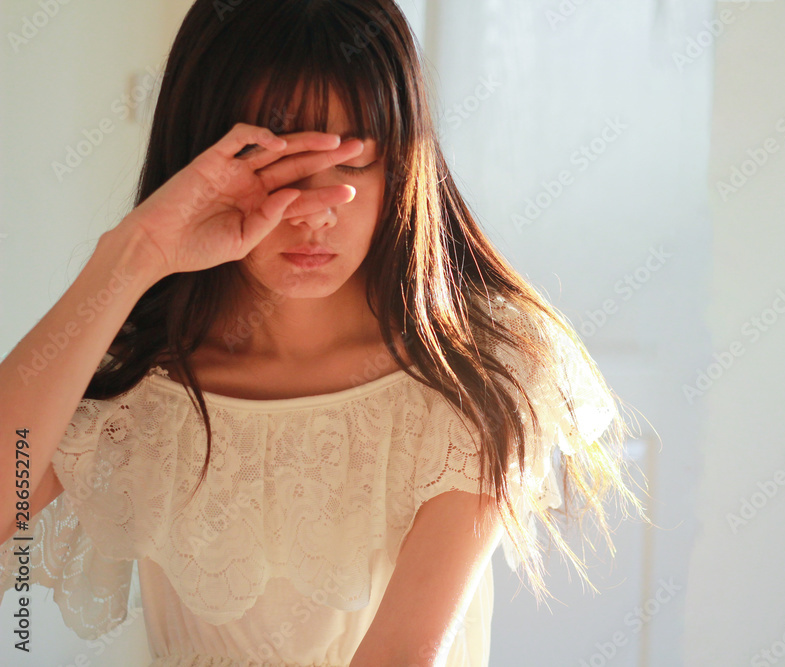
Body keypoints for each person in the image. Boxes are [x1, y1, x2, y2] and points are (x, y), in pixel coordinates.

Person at [0, 1, 651, 665]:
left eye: (352, 162)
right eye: (272, 163)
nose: (313, 213)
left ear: (401, 163)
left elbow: (400, 655)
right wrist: (133, 253)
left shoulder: (472, 372)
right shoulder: (136, 377)